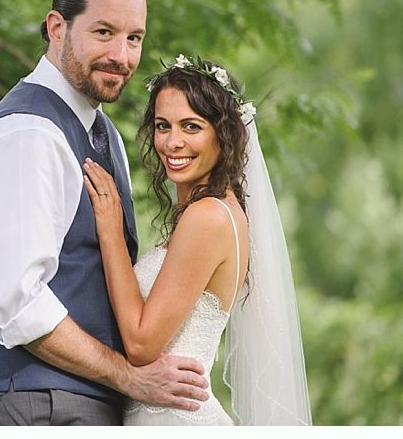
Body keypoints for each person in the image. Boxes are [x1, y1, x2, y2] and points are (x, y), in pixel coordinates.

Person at [0, 0, 210, 425]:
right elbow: (15, 303)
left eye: (134, 38)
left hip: (86, 404)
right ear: (57, 28)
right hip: (38, 407)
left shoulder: (104, 132)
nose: (122, 54)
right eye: (104, 32)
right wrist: (127, 377)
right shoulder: (26, 133)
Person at [82, 54, 312, 425]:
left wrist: (110, 232)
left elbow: (141, 345)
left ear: (224, 134)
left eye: (191, 127)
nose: (172, 143)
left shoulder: (207, 217)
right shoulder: (224, 210)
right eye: (162, 126)